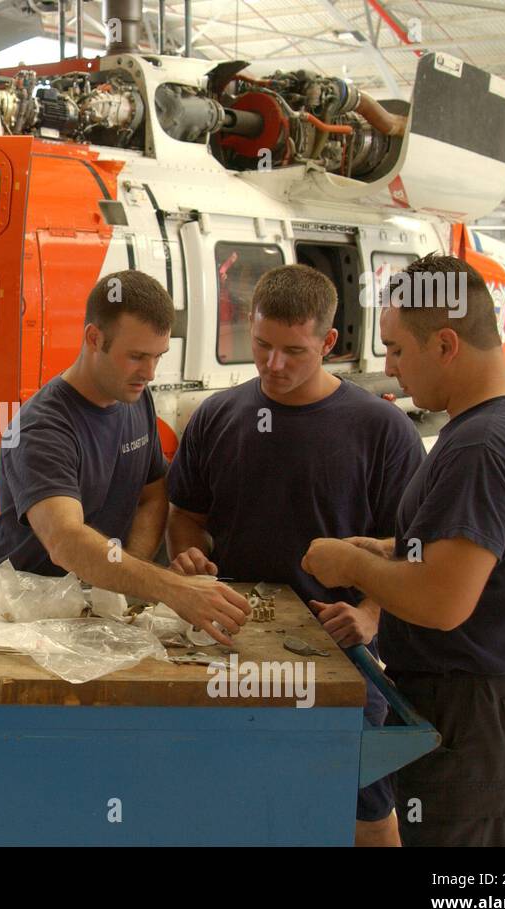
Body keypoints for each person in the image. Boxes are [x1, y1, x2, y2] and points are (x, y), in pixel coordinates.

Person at [302, 253, 505, 847]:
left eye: (397, 349)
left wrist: (352, 564)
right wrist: (396, 545)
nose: (391, 369)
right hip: (486, 704)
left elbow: (443, 600)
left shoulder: (484, 445)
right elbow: (487, 544)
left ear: (446, 343)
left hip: (477, 716)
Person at [165, 263, 424, 846]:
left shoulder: (383, 431)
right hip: (229, 650)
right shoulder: (216, 416)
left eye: (293, 350)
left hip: (342, 660)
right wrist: (188, 559)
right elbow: (188, 514)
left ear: (329, 343)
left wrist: (371, 615)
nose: (273, 365)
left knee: (363, 810)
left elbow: (412, 549)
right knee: (236, 804)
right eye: (260, 345)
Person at [0, 270, 249, 643]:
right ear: (95, 338)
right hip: (25, 614)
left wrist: (127, 578)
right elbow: (67, 542)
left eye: (158, 356)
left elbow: (152, 493)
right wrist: (171, 587)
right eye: (137, 356)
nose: (150, 373)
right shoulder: (41, 429)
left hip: (94, 612)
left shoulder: (133, 396)